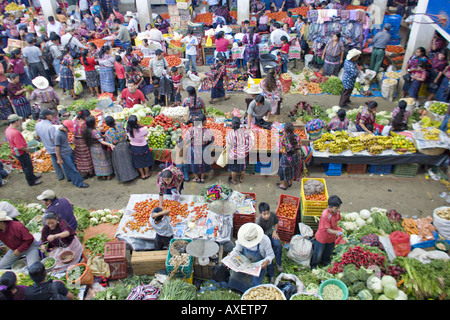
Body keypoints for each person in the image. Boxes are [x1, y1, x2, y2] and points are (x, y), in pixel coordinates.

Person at [228, 223, 275, 293]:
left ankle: (248, 292)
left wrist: (267, 261)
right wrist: (232, 254)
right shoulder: (243, 236)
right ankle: (236, 289)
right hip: (244, 262)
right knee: (234, 277)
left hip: (258, 265)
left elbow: (270, 255)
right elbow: (237, 248)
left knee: (253, 283)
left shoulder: (264, 240)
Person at [5, 114, 42, 186]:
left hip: (16, 152)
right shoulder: (15, 133)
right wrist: (27, 150)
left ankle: (33, 177)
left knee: (27, 166)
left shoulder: (8, 130)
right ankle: (31, 182)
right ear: (16, 121)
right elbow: (19, 146)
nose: (20, 122)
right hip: (21, 153)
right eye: (19, 120)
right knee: (27, 167)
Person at [310, 195, 343, 269]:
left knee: (329, 251)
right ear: (330, 207)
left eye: (338, 208)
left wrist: (337, 231)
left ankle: (325, 261)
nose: (338, 210)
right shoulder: (325, 215)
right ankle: (314, 265)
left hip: (331, 237)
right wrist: (336, 232)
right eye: (336, 208)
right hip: (322, 237)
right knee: (318, 253)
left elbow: (338, 220)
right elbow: (327, 229)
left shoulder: (337, 213)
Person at [55, 120, 90, 188]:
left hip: (69, 151)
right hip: (64, 155)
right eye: (68, 129)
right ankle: (79, 183)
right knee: (72, 169)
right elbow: (57, 148)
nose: (69, 131)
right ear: (64, 127)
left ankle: (76, 179)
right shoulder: (58, 135)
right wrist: (59, 159)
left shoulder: (64, 132)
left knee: (73, 167)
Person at [104, 116, 139, 183]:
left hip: (117, 148)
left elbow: (109, 142)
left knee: (120, 163)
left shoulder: (108, 133)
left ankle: (124, 178)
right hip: (125, 145)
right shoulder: (120, 125)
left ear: (107, 124)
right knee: (129, 161)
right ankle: (133, 175)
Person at [35, 109, 66, 181]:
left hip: (47, 146)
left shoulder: (37, 125)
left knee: (54, 160)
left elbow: (37, 136)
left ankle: (60, 176)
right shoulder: (50, 127)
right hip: (54, 147)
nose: (52, 116)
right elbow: (53, 140)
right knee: (61, 160)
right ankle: (66, 175)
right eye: (50, 115)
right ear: (47, 116)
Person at [256, 202, 283, 283]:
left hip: (272, 235)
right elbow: (260, 236)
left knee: (278, 245)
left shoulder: (273, 215)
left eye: (268, 213)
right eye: (264, 214)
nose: (267, 215)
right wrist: (266, 243)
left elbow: (276, 223)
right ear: (260, 214)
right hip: (264, 238)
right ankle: (271, 275)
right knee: (268, 254)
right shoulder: (259, 222)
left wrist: (275, 231)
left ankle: (279, 263)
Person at [184, 113, 215, 183]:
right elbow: (212, 139)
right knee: (203, 163)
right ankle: (202, 178)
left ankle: (197, 178)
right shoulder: (207, 130)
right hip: (204, 149)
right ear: (204, 122)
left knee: (194, 164)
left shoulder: (191, 129)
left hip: (194, 149)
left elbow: (187, 138)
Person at [83, 115, 115, 180]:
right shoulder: (94, 132)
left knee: (97, 163)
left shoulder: (87, 130)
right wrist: (109, 144)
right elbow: (101, 141)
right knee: (104, 161)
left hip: (93, 148)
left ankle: (101, 175)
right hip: (99, 148)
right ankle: (108, 175)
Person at [226, 117, 254, 185]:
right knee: (242, 168)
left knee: (234, 169)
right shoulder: (244, 132)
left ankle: (234, 180)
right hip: (242, 154)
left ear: (231, 124)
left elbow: (228, 146)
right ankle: (241, 179)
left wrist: (226, 151)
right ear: (240, 124)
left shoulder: (230, 134)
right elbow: (249, 141)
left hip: (234, 155)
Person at [126, 115, 153, 180]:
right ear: (136, 121)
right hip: (143, 147)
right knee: (145, 160)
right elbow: (146, 133)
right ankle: (147, 173)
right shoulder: (142, 129)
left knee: (138, 161)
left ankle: (142, 175)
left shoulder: (127, 129)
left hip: (134, 147)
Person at [277, 122, 302, 190]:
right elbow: (299, 146)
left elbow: (281, 150)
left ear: (284, 130)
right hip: (294, 156)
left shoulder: (283, 139)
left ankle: (284, 185)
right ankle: (290, 182)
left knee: (284, 171)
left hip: (286, 158)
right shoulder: (297, 137)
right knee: (292, 169)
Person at [73, 109, 95, 179]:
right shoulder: (83, 123)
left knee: (79, 157)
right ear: (85, 116)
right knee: (87, 156)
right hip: (82, 141)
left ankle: (84, 172)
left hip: (76, 141)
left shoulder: (75, 121)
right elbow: (87, 132)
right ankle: (90, 172)